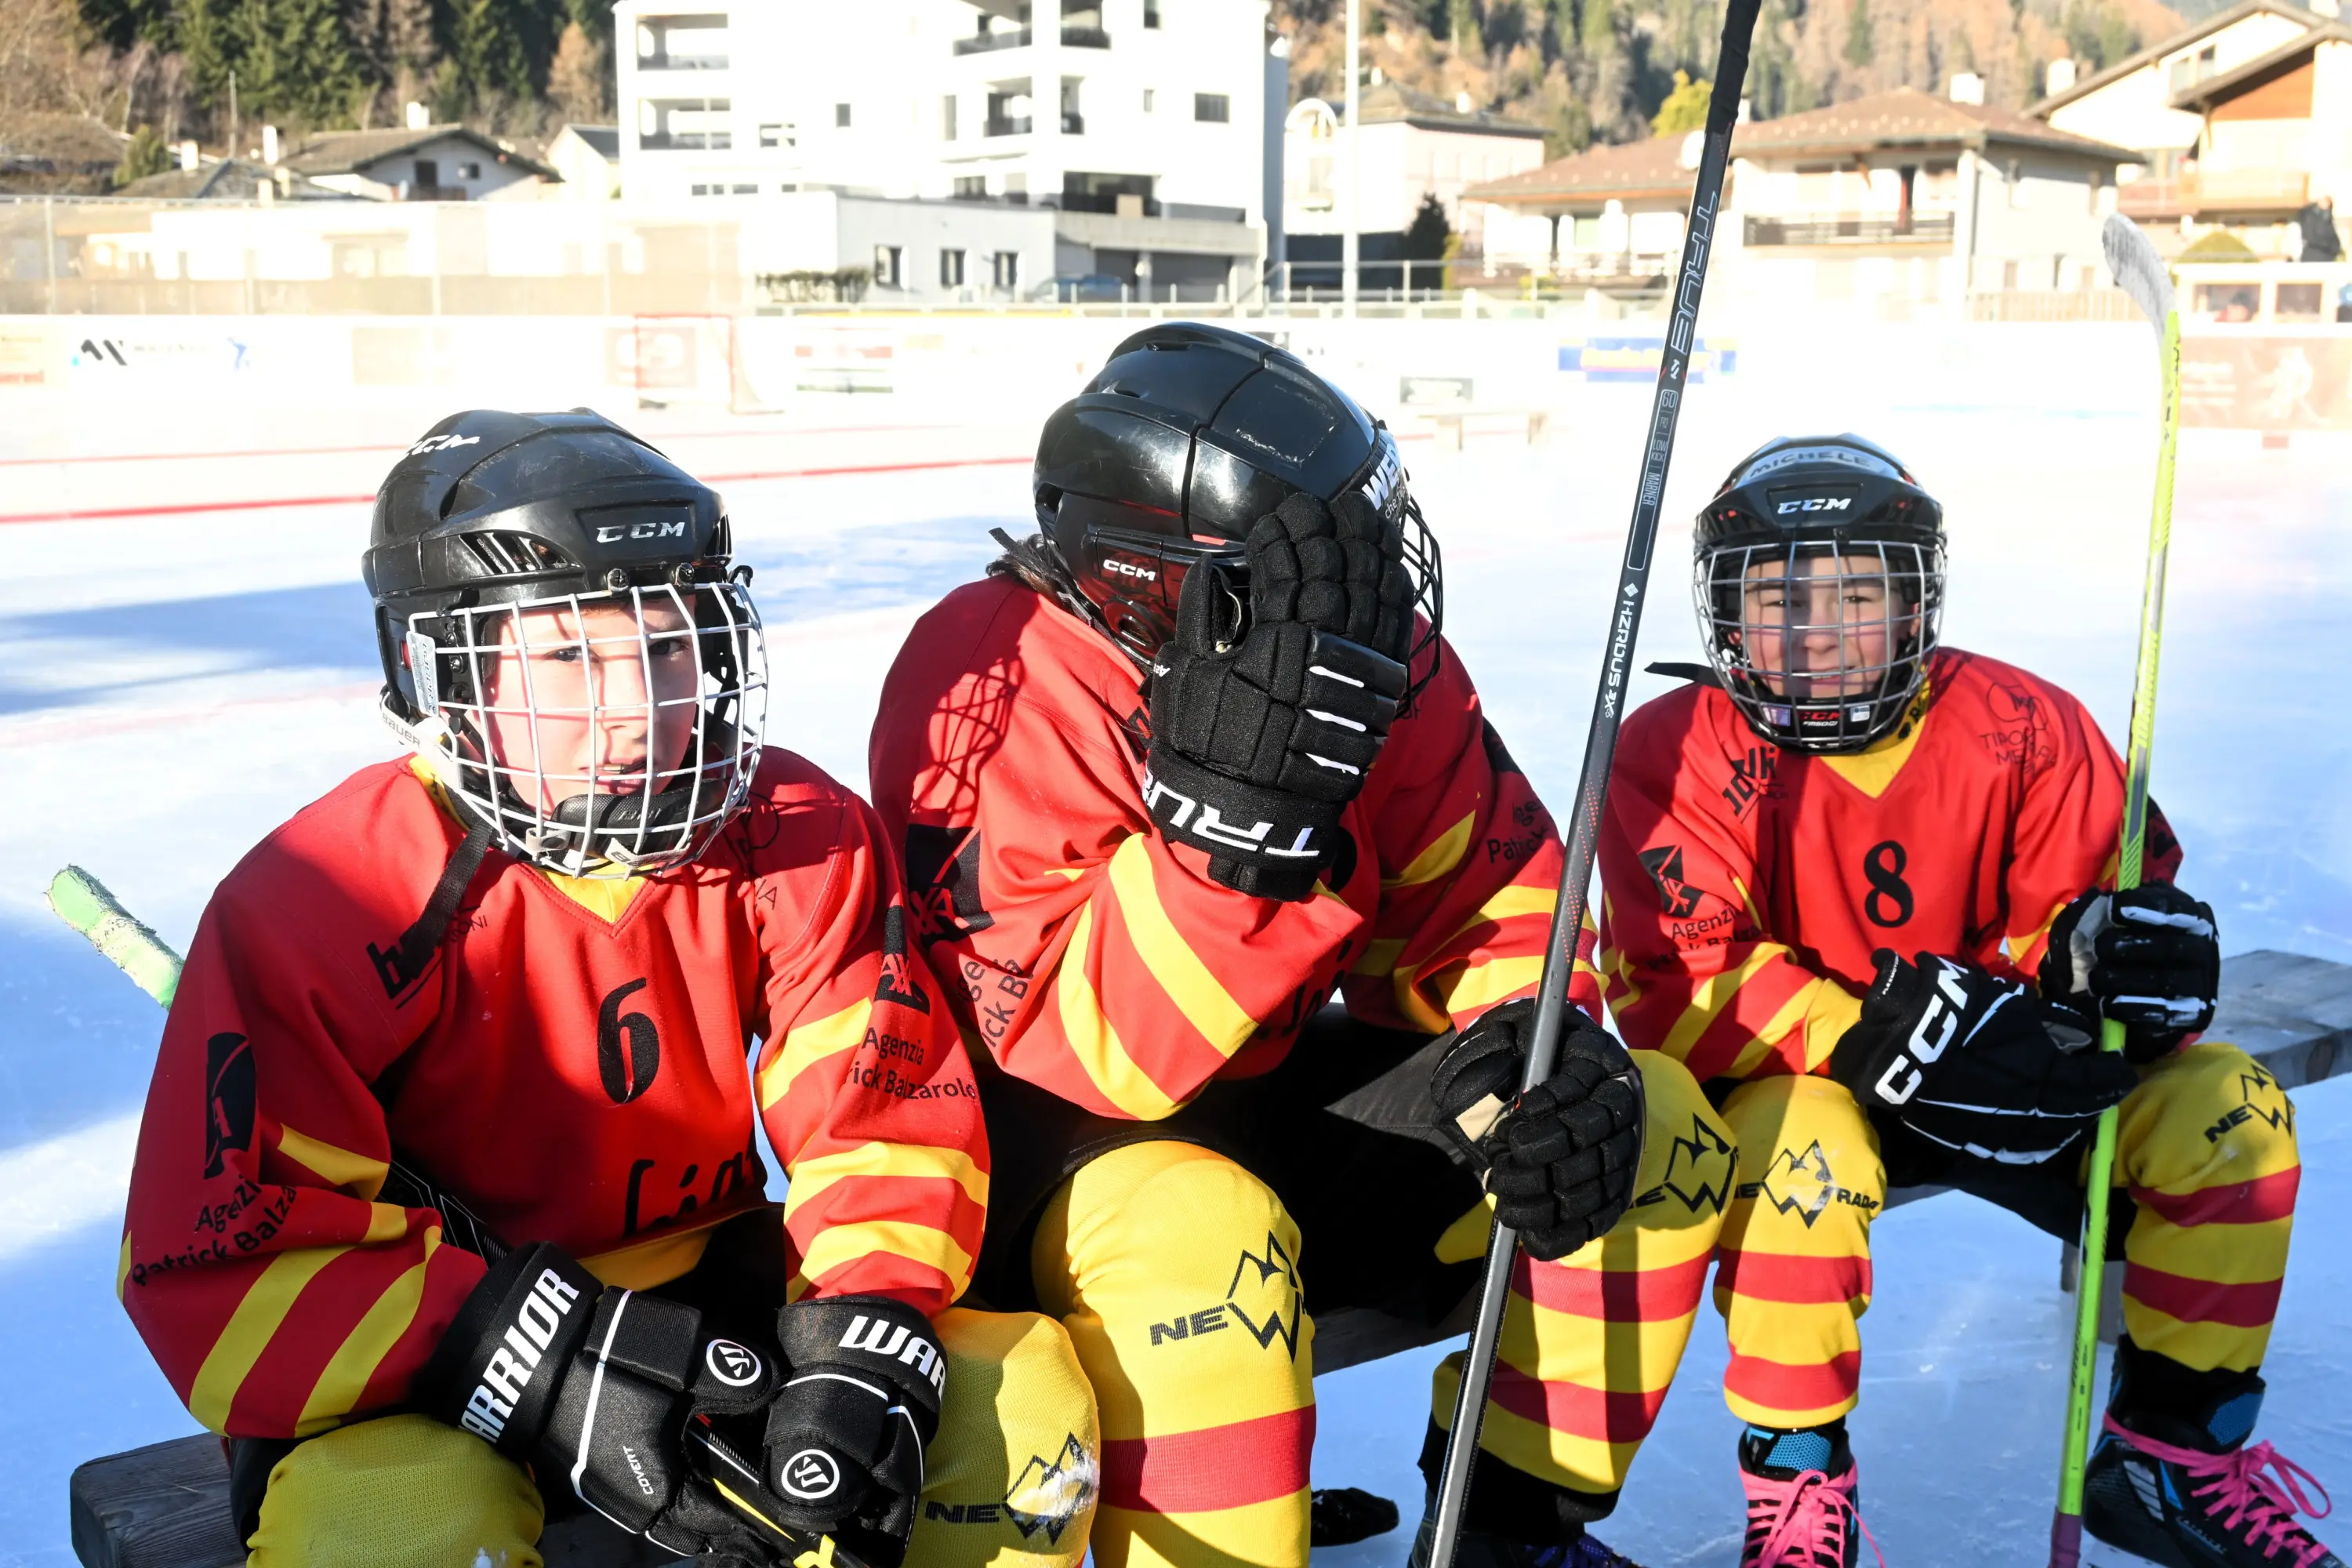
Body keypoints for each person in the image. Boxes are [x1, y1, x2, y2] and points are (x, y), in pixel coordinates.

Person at [119, 411, 1100, 1568]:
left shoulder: (800, 836)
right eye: (568, 658)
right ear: (439, 671)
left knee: (1011, 1409)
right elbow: (224, 1278)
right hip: (433, 1345)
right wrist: (520, 1358)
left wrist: (861, 1331)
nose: (638, 707)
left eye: (671, 648)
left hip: (700, 1289)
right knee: (391, 1526)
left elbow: (877, 1128)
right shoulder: (321, 898)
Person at [868, 322, 1739, 1568]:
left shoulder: (1371, 662)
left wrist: (1526, 1047)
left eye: (1358, 549)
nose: (1362, 590)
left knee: (1642, 1126)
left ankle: (1506, 1526)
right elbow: (1087, 1054)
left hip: (1264, 1108)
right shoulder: (993, 672)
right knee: (1207, 1244)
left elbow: (1498, 895)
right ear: (1153, 576)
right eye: (1314, 566)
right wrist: (1241, 831)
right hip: (1043, 1169)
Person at [1596, 433, 2325, 1568]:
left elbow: (2094, 913)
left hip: (2019, 1083)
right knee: (1805, 1161)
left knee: (2229, 1109)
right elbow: (1675, 985)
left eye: (1858, 591)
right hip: (1810, 1092)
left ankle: (2173, 1458)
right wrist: (1889, 1039)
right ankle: (1797, 1492)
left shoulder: (2025, 725)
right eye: (1781, 596)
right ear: (1726, 614)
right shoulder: (1673, 749)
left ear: (1917, 600)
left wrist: (2130, 963)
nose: (1820, 629)